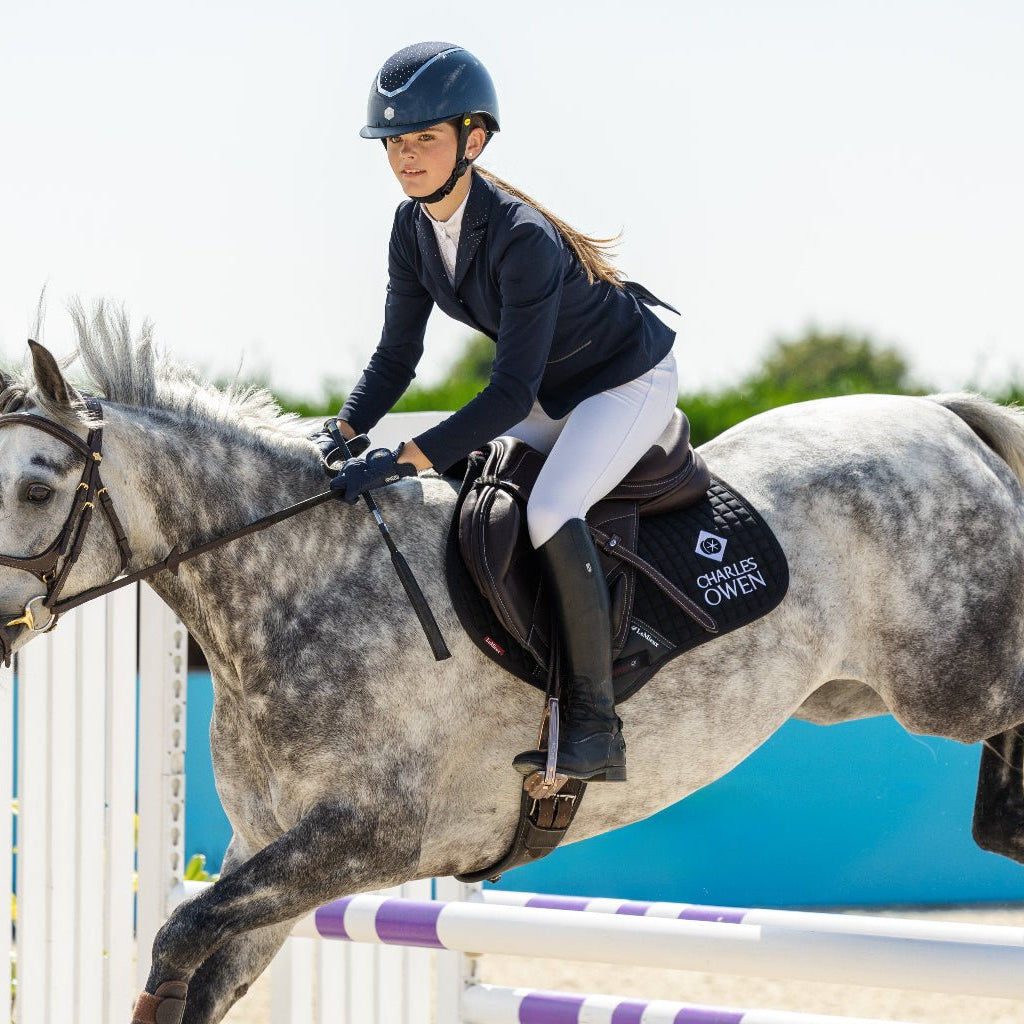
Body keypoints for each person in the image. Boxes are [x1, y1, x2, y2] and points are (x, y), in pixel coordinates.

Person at [316, 41, 679, 783]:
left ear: (471, 140)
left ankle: (594, 722)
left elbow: (509, 395)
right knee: (476, 487)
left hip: (624, 383)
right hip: (553, 391)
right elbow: (395, 358)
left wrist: (404, 455)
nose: (406, 157)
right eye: (394, 142)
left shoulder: (520, 238)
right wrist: (344, 430)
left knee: (549, 508)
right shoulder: (412, 229)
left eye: (425, 138)